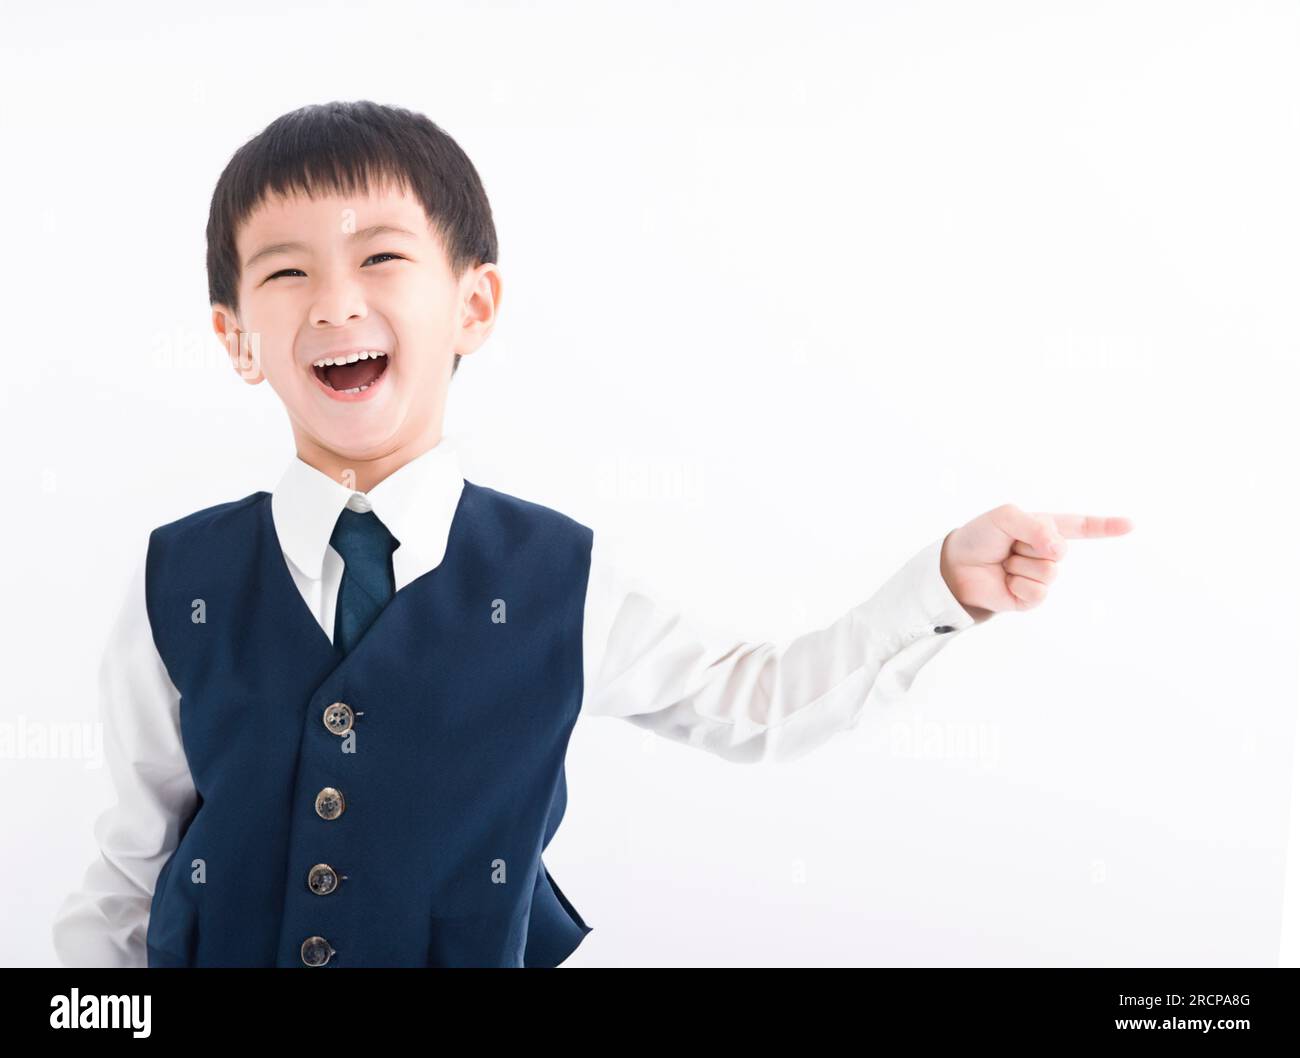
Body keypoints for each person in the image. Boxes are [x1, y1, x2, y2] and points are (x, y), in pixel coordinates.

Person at [51, 100, 1133, 968]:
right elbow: (136, 852)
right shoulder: (176, 578)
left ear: (472, 305)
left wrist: (941, 584)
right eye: (287, 271)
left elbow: (755, 699)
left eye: (381, 258)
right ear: (237, 338)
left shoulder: (560, 578)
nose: (335, 301)